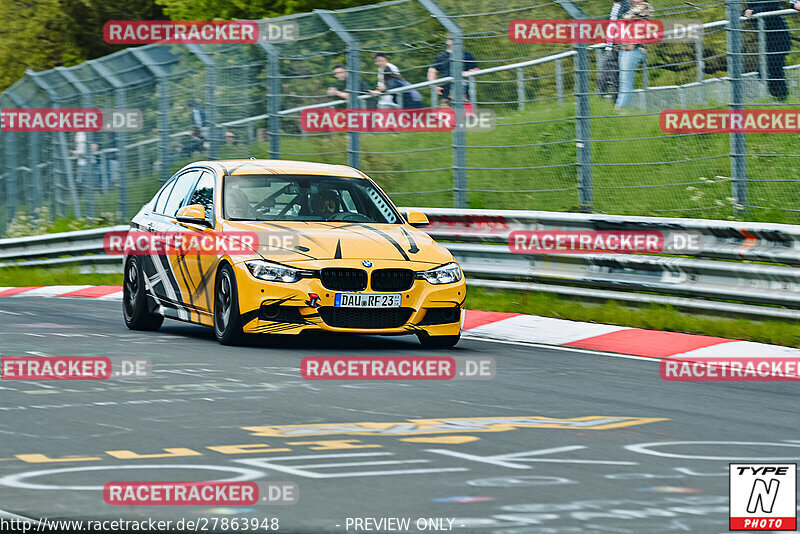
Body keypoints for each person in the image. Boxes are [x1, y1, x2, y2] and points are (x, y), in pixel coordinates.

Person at [744, 1, 800, 100]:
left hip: (780, 39)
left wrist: (753, 11)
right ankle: (780, 97)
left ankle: (781, 96)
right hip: (767, 40)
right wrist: (746, 12)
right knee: (769, 70)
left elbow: (772, 5)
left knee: (771, 67)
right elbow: (749, 10)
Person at [614, 0, 654, 110]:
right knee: (623, 80)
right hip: (625, 48)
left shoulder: (644, 7)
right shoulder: (632, 7)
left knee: (626, 80)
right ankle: (620, 108)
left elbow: (627, 18)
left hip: (635, 48)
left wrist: (625, 18)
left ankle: (620, 108)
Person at [427, 37, 479, 108]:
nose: (454, 41)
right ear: (447, 41)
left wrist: (464, 73)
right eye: (452, 39)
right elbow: (432, 71)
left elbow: (476, 70)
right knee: (446, 117)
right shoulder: (441, 56)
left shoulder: (466, 54)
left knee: (465, 116)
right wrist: (434, 86)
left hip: (463, 93)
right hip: (446, 94)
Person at [597, 0, 631, 101]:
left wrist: (618, 43)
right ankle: (602, 102)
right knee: (606, 76)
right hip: (610, 46)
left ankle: (612, 103)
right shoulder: (616, 5)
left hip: (615, 47)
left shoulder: (625, 5)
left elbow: (625, 25)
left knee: (612, 77)